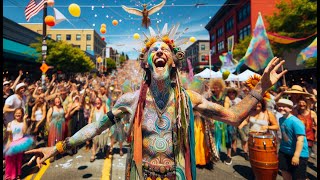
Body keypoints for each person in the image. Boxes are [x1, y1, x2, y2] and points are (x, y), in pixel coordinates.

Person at [26, 24, 286, 180]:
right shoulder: (130, 100)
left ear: (174, 60)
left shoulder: (189, 99)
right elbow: (96, 127)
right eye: (153, 50)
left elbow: (234, 117)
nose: (159, 52)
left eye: (165, 50)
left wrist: (261, 88)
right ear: (146, 62)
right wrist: (58, 149)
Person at [276, 99, 309, 180]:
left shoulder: (296, 122)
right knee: (285, 172)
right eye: (279, 106)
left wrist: (296, 156)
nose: (281, 108)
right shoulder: (281, 119)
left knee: (299, 177)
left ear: (290, 109)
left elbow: (300, 140)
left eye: (284, 106)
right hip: (284, 151)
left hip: (299, 154)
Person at [4, 108, 31, 180]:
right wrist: (7, 145)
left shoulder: (23, 123)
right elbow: (9, 137)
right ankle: (9, 176)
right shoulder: (10, 123)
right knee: (9, 160)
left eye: (19, 113)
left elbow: (24, 131)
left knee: (18, 160)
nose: (18, 114)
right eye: (16, 113)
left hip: (20, 143)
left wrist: (25, 119)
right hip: (12, 143)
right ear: (14, 114)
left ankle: (17, 175)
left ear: (22, 114)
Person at [47, 97, 67, 162]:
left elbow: (65, 115)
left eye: (58, 100)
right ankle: (52, 155)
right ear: (54, 102)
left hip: (61, 125)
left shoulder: (62, 108)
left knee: (60, 139)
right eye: (56, 101)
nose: (57, 102)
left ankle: (59, 152)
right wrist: (49, 124)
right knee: (53, 140)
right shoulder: (52, 108)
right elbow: (48, 117)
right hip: (54, 125)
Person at [88, 97, 108, 162]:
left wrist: (108, 126)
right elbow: (90, 117)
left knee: (103, 141)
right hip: (95, 129)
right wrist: (89, 126)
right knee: (95, 142)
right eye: (96, 101)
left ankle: (104, 151)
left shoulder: (104, 108)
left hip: (103, 128)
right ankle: (93, 155)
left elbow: (108, 116)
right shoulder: (93, 109)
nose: (97, 102)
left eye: (98, 101)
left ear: (101, 102)